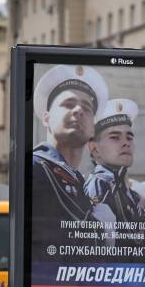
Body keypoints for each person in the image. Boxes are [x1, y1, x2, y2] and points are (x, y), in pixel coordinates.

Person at [32, 65, 109, 261]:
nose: (78, 111)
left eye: (87, 107)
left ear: (92, 129)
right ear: (47, 118)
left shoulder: (78, 182)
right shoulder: (34, 168)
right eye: (68, 103)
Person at [84, 99, 145, 227]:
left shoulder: (129, 192)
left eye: (129, 137)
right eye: (114, 137)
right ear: (94, 149)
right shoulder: (100, 184)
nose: (126, 143)